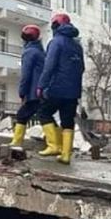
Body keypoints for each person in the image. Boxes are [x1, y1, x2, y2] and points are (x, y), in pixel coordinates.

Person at [37, 13, 85, 165]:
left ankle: (53, 146)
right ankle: (66, 155)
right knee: (67, 121)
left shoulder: (56, 42)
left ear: (55, 26)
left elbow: (49, 66)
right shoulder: (77, 46)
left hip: (57, 87)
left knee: (44, 113)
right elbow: (81, 68)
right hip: (73, 90)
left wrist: (41, 85)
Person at [9, 25, 46, 146]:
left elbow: (26, 75)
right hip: (43, 91)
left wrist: (22, 92)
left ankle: (16, 142)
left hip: (34, 92)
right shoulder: (40, 51)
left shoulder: (29, 52)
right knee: (45, 116)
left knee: (22, 115)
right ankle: (56, 144)